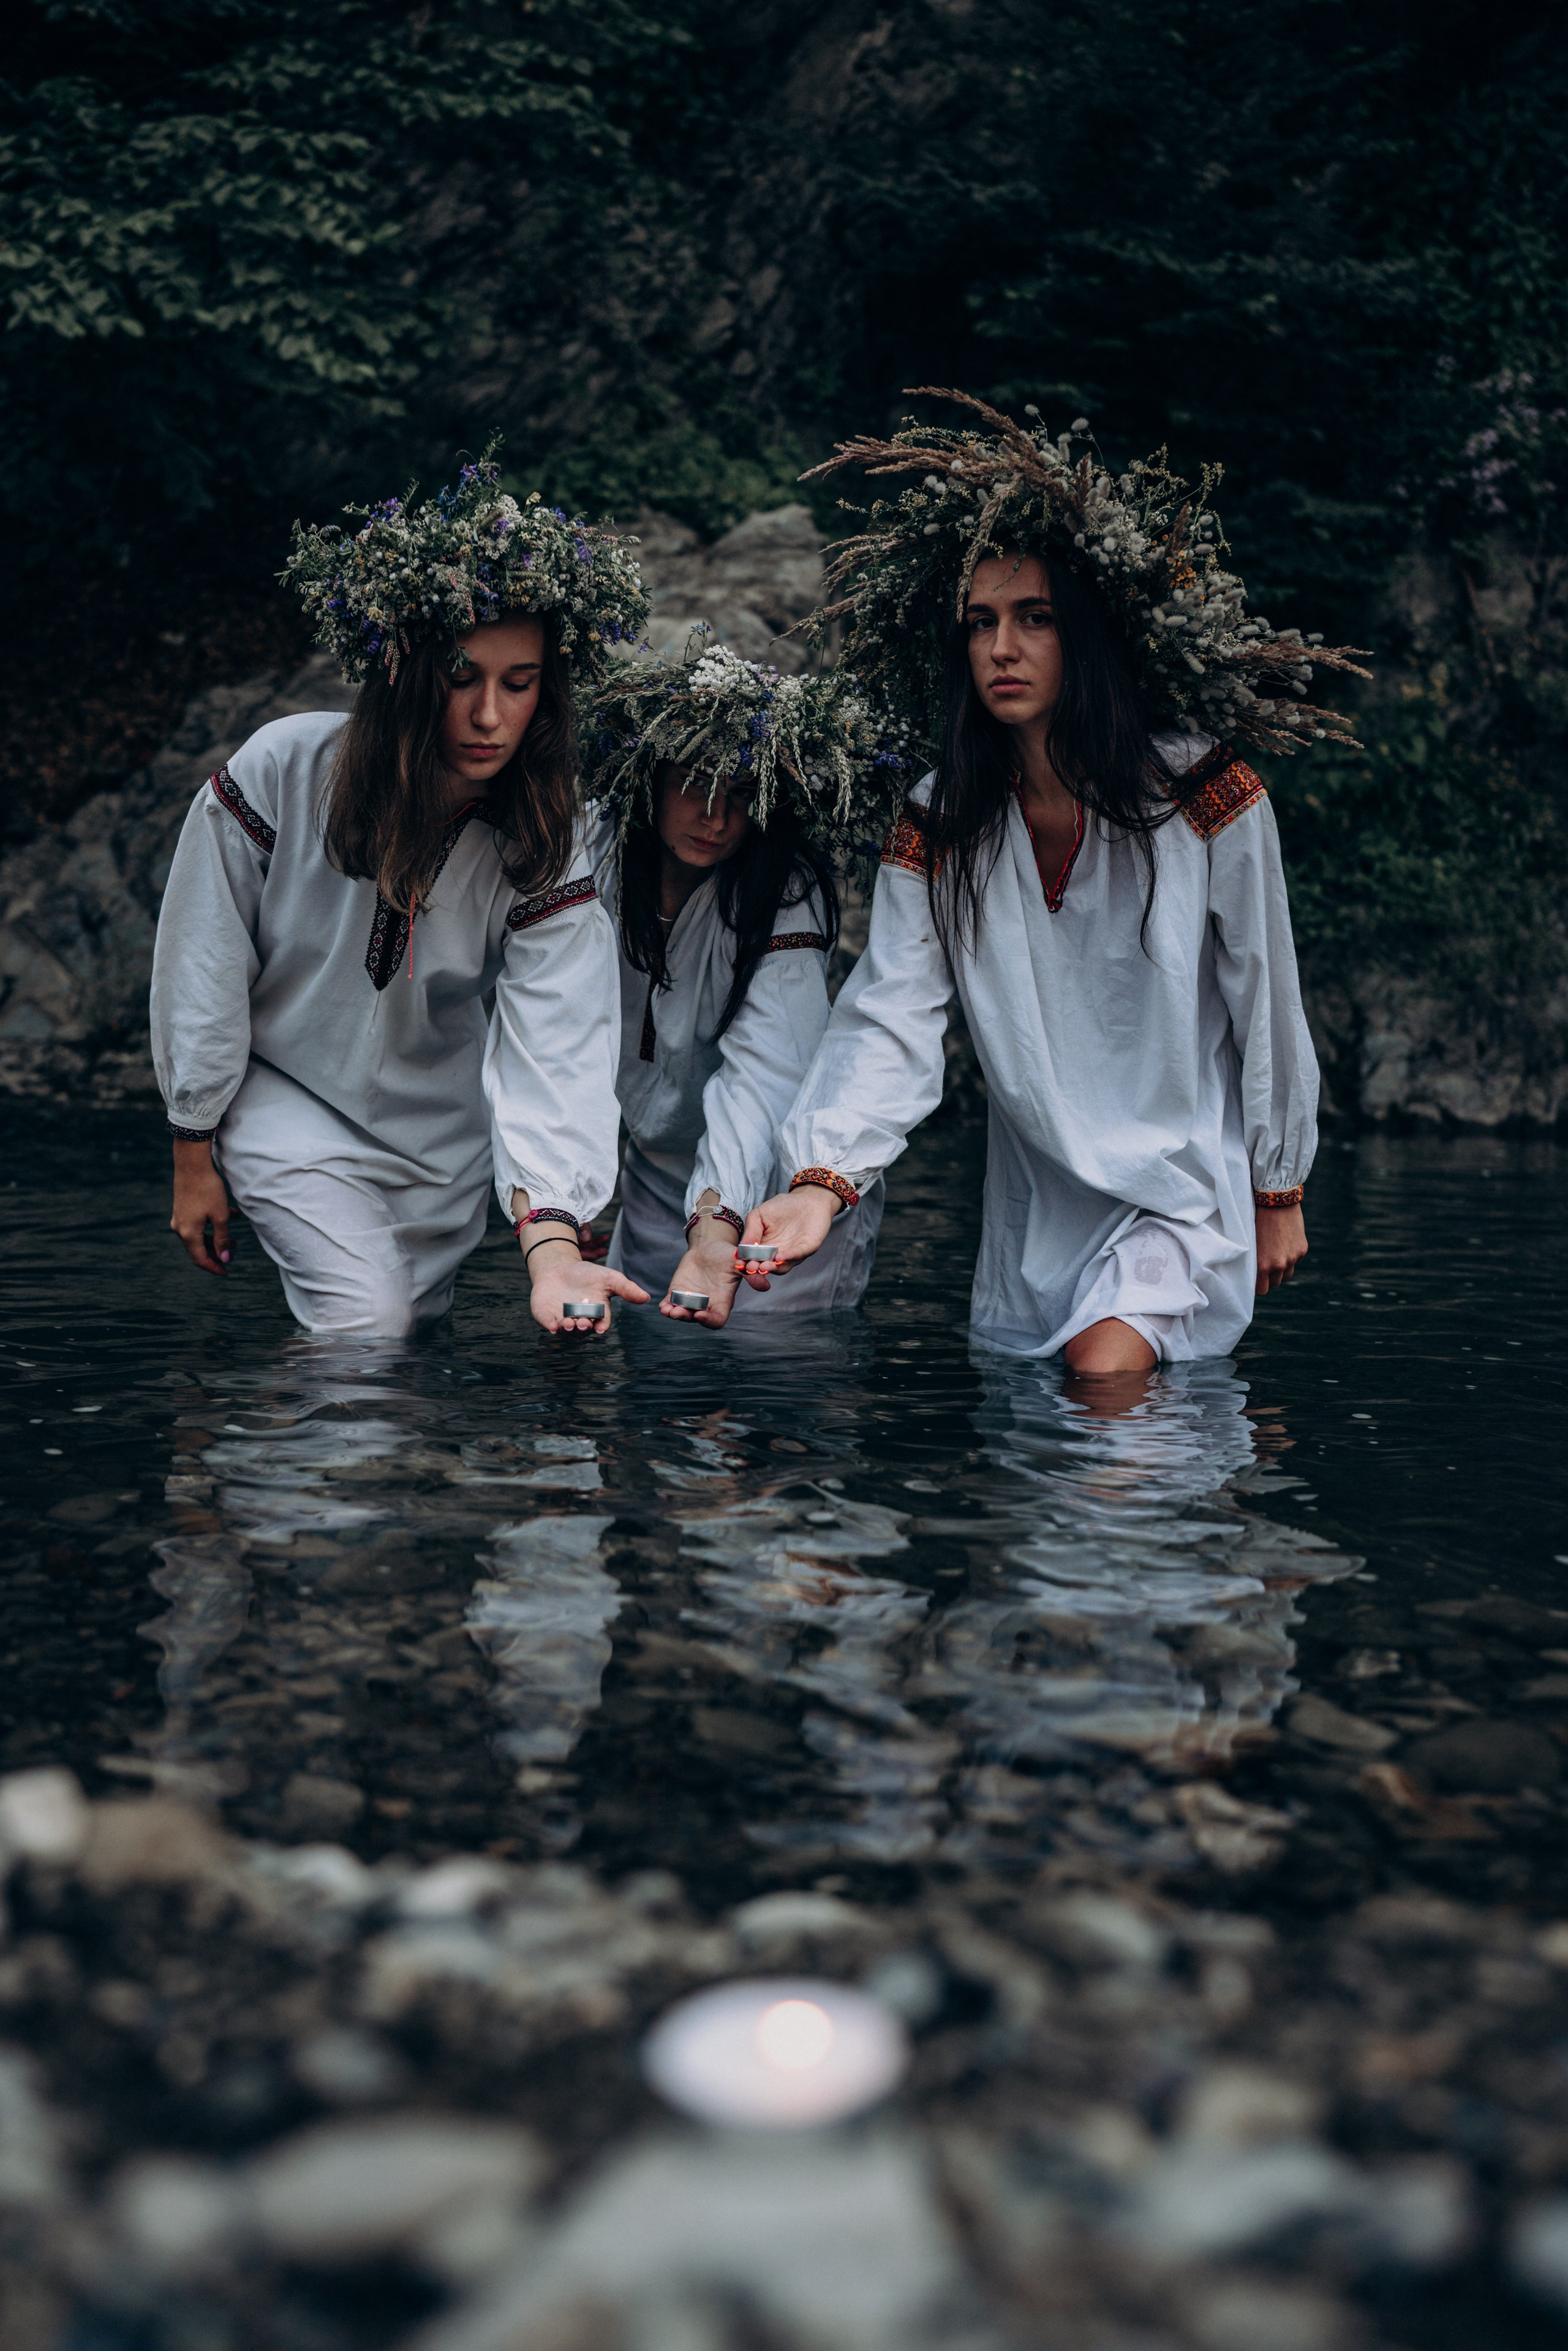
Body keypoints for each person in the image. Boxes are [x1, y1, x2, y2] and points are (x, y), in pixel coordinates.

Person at [736, 391, 1370, 1379]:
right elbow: (892, 1013)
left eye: (1035, 618)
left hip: (1183, 1187)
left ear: (1088, 631)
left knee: (1103, 1378)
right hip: (1038, 1207)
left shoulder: (1203, 792)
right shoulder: (942, 818)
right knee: (1066, 1471)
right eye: (982, 621)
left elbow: (1266, 990)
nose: (1002, 647)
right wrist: (822, 1183)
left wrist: (1279, 1184)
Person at [151, 444, 651, 1338]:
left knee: (400, 1346)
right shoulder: (282, 771)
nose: (490, 715)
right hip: (283, 1094)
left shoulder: (547, 834)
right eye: (462, 678)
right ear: (406, 671)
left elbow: (560, 1036)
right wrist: (195, 1147)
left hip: (440, 1139)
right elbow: (205, 957)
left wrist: (554, 1243)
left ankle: (254, 1461)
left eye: (519, 683)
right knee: (365, 1324)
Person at [582, 641, 911, 1326]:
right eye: (695, 784)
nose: (716, 818)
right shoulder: (593, 857)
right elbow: (553, 1032)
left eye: (740, 794)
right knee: (657, 1379)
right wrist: (572, 1195)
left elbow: (765, 1073)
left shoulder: (782, 889)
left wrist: (714, 1229)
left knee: (771, 1377)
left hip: (783, 1185)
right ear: (650, 777)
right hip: (654, 1169)